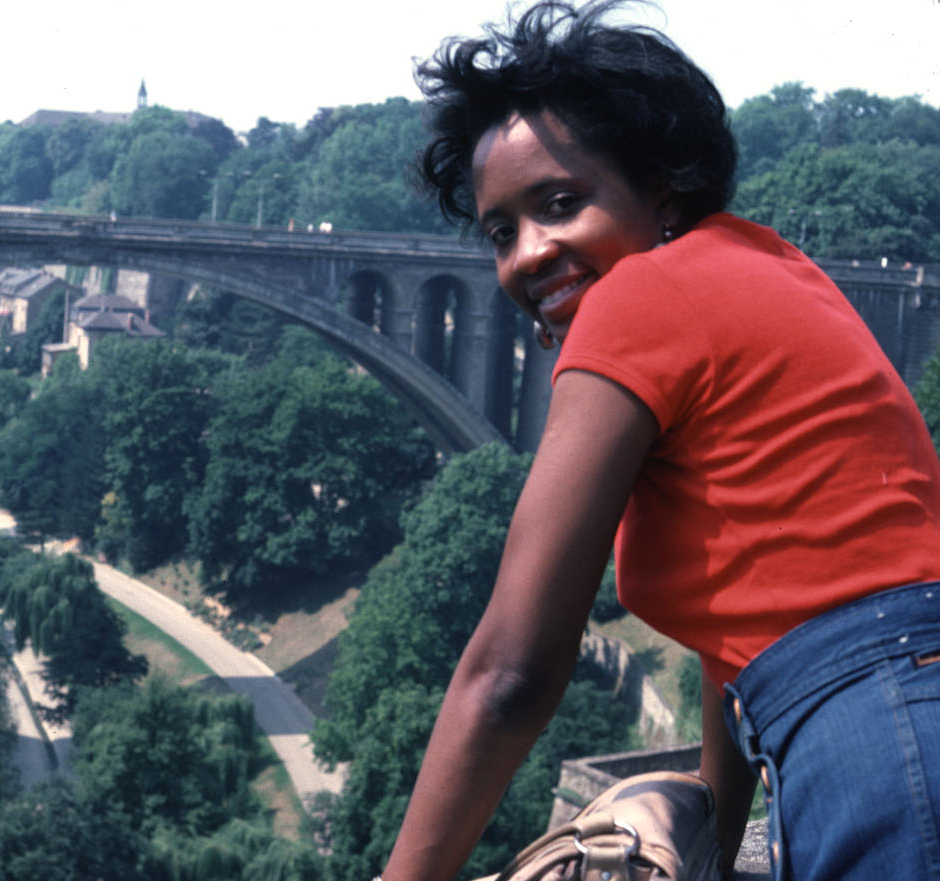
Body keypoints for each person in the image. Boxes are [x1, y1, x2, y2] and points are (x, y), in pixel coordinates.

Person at [377, 3, 940, 880]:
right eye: (500, 231)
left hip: (884, 740)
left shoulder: (637, 300)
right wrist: (719, 829)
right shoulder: (767, 269)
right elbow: (749, 611)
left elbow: (511, 669)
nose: (529, 252)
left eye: (560, 204)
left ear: (662, 185)